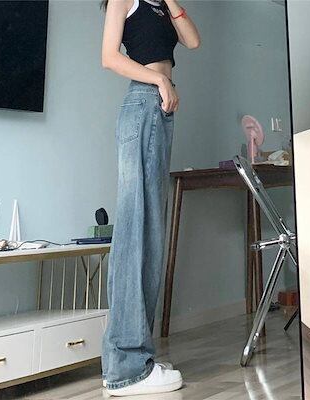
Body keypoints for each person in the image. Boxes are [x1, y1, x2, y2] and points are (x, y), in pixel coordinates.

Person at [100, 0, 200, 396]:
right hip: (143, 102)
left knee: (151, 236)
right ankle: (125, 368)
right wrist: (160, 81)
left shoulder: (161, 4)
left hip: (159, 108)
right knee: (136, 233)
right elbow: (109, 57)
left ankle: (137, 360)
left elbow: (192, 40)